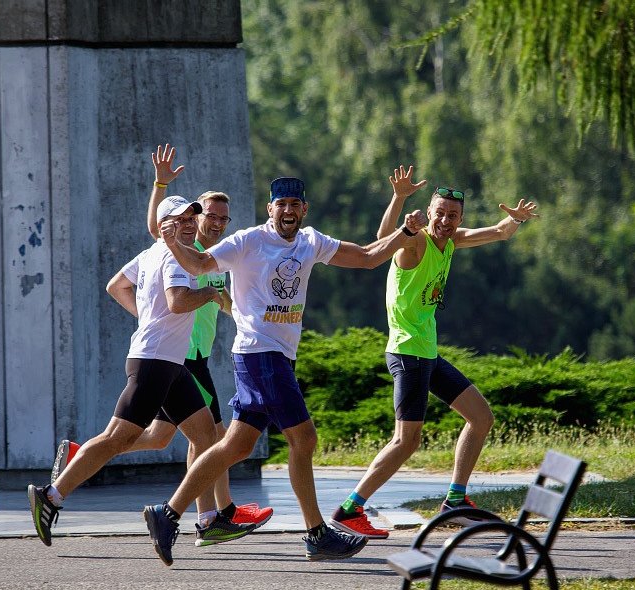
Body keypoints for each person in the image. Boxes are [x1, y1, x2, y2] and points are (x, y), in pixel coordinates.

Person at [141, 174, 428, 566]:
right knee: (304, 439)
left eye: (295, 205)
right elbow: (202, 261)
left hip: (276, 357)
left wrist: (405, 231)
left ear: (303, 209)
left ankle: (167, 514)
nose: (288, 211)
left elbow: (366, 256)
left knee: (236, 446)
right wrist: (172, 240)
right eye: (282, 204)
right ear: (270, 209)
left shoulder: (311, 241)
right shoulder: (248, 241)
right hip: (260, 353)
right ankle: (316, 534)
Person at [49, 145, 272, 531]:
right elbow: (160, 249)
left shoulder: (218, 255)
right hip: (175, 356)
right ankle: (220, 513)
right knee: (213, 436)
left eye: (222, 218)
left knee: (160, 437)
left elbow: (225, 301)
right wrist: (160, 184)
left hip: (185, 356)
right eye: (208, 216)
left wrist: (248, 320)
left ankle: (82, 456)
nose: (215, 223)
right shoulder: (182, 252)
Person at [329, 165, 538, 539]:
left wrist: (516, 220)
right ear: (429, 213)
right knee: (405, 442)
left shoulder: (453, 241)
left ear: (459, 218)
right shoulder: (417, 242)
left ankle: (455, 502)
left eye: (452, 215)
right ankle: (349, 510)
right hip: (407, 353)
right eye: (439, 213)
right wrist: (399, 200)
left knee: (481, 417)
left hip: (428, 353)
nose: (444, 220)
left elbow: (501, 232)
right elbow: (381, 239)